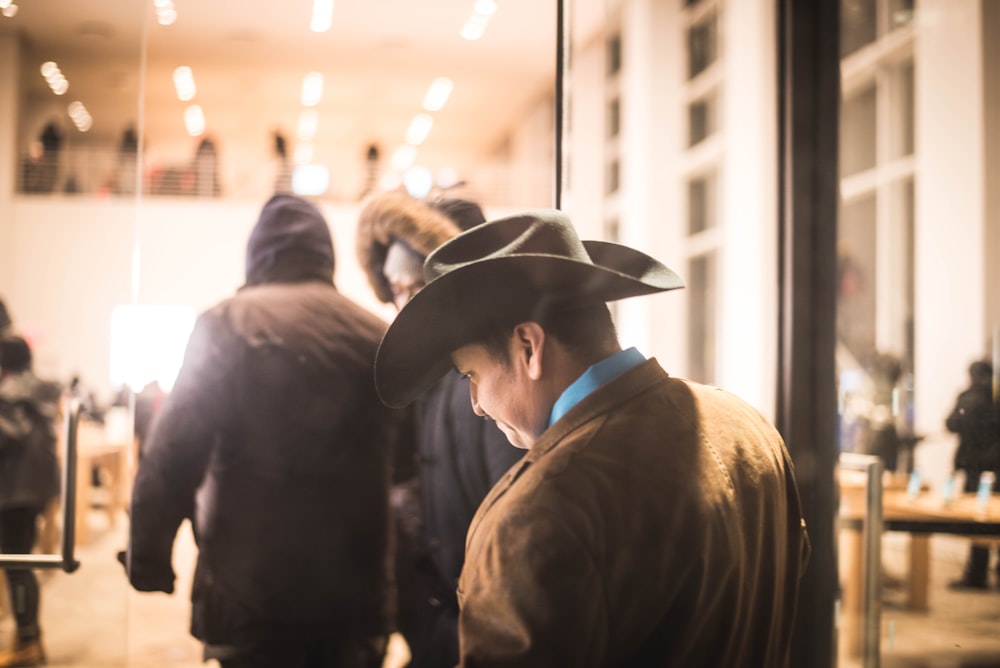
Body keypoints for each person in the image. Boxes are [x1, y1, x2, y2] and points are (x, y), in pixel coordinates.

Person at [373, 210, 811, 667]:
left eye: (472, 374)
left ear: (529, 348)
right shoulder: (748, 426)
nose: (476, 404)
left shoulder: (536, 513)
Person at [121, 194, 399, 668]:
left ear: (257, 253)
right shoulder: (376, 335)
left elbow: (173, 451)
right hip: (355, 597)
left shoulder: (226, 324)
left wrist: (148, 558)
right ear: (324, 254)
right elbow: (409, 464)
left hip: (249, 593)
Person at [356, 193, 523, 667]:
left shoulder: (493, 377)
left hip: (483, 628)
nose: (400, 307)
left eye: (411, 288)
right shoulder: (433, 376)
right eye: (394, 291)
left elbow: (513, 527)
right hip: (443, 616)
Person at [0, 336, 61, 667]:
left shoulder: (10, 396)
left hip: (14, 492)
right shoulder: (37, 391)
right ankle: (28, 636)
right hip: (33, 490)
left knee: (16, 567)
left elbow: (8, 436)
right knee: (21, 564)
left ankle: (27, 641)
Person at [946, 359, 1000, 590]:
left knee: (978, 522)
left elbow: (951, 423)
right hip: (994, 466)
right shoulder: (994, 399)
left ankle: (976, 575)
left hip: (975, 467)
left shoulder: (969, 398)